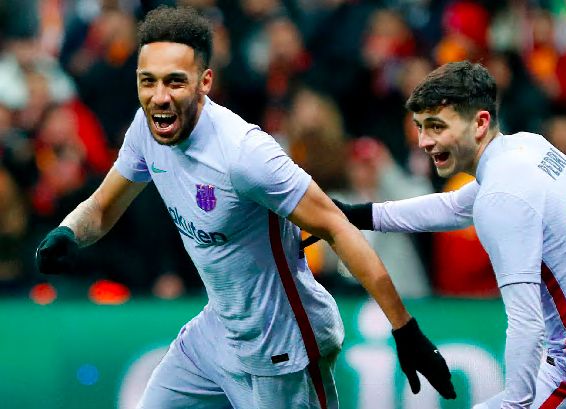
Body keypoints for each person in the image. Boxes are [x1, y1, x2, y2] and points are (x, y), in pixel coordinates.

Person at [33, 6, 455, 409]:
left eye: (175, 82)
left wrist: (404, 328)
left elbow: (336, 225)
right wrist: (68, 232)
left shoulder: (243, 154)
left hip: (284, 345)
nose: (159, 96)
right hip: (218, 329)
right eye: (149, 81)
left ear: (205, 82)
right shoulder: (146, 129)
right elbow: (103, 207)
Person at [332, 61, 566, 408]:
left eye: (436, 127)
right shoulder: (530, 148)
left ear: (480, 123)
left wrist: (515, 405)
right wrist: (361, 215)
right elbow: (453, 207)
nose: (424, 141)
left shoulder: (502, 196)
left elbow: (526, 324)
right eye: (420, 127)